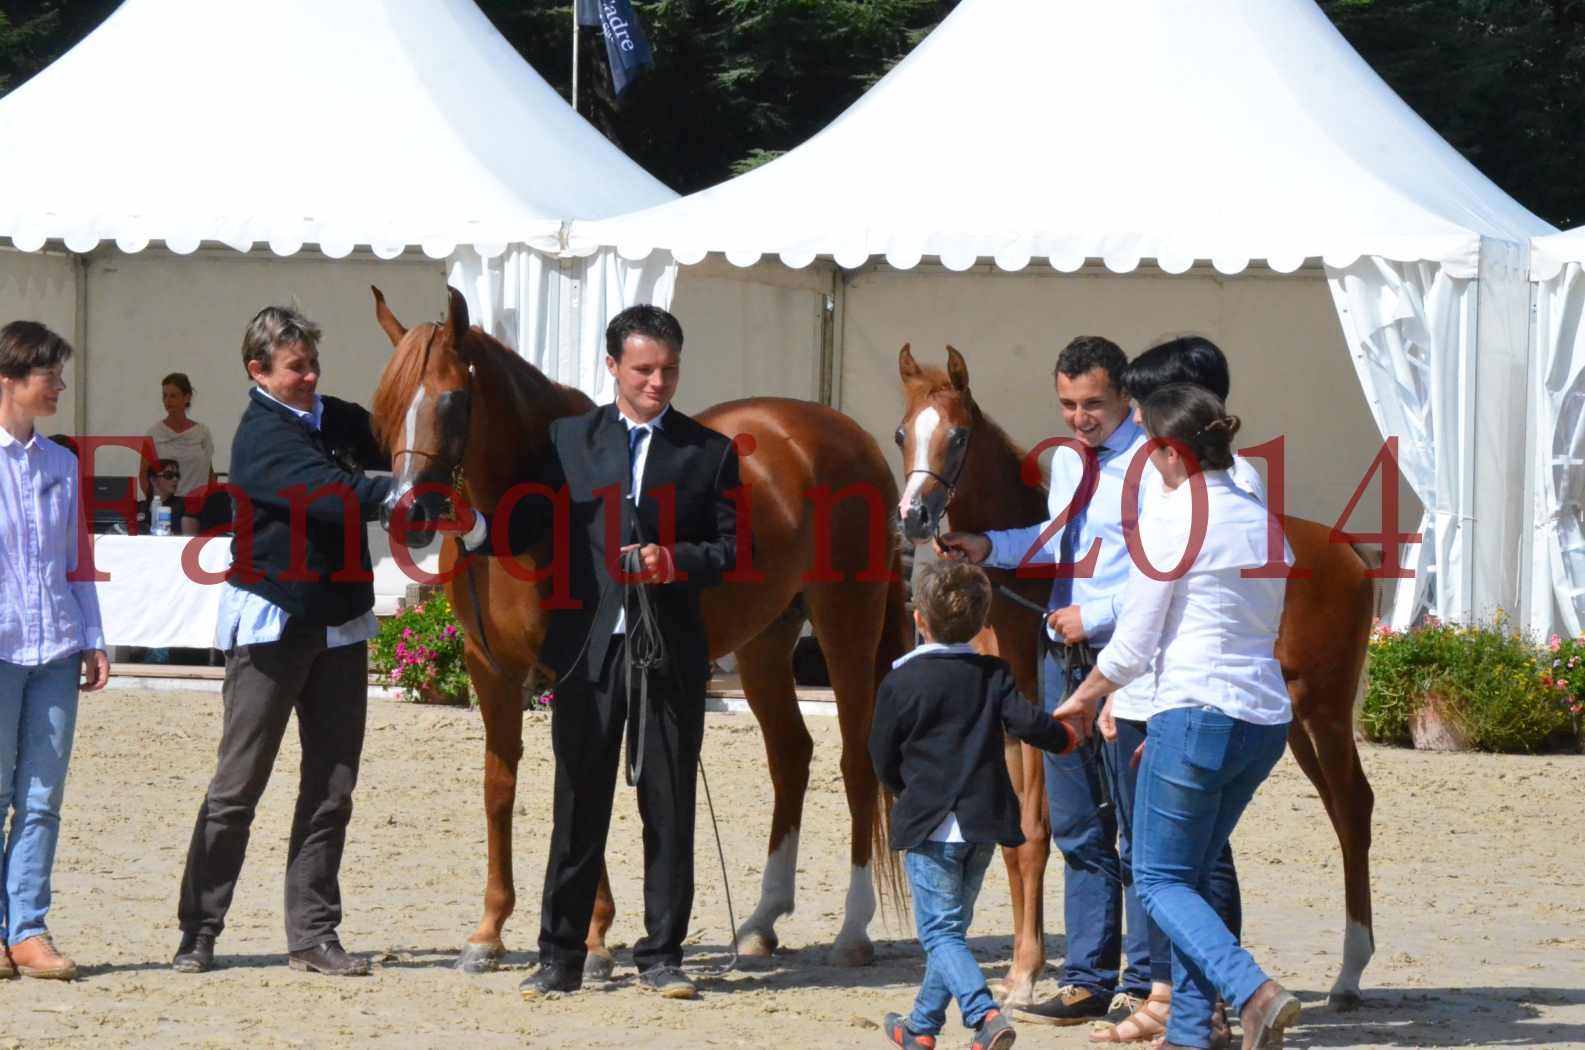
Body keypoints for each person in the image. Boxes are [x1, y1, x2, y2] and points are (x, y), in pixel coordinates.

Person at [507, 304, 741, 1003]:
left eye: (668, 369)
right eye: (644, 369)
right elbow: (523, 522)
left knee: (667, 805)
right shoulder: (565, 441)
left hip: (667, 650)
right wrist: (473, 518)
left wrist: (674, 559)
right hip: (587, 650)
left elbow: (733, 551)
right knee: (578, 801)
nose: (657, 382)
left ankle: (663, 954)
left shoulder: (708, 451)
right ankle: (559, 954)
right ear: (613, 366)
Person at [1055, 384, 1300, 1050]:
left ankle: (1252, 991)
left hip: (1197, 708)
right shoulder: (1257, 511)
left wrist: (1084, 697)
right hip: (1260, 717)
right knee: (1186, 876)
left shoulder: (1173, 517)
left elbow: (1133, 644)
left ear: (1167, 450)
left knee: (1159, 878)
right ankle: (1191, 1031)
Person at [935, 336, 1154, 1025]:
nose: (1079, 417)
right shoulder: (1067, 463)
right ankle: (1088, 977)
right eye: (1067, 404)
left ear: (1124, 396)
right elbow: (1054, 539)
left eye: (1092, 403)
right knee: (1077, 826)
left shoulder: (1153, 467)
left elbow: (1161, 575)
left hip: (1125, 657)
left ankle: (1141, 982)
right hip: (1063, 656)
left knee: (1132, 827)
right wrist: (988, 547)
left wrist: (1097, 612)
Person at [172, 306, 391, 977]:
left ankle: (313, 934)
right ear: (258, 371)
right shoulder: (260, 437)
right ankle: (199, 929)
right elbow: (332, 494)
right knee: (238, 786)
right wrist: (397, 489)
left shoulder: (341, 417)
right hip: (273, 624)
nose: (309, 376)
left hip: (340, 621)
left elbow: (390, 438)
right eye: (296, 367)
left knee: (332, 787)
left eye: (312, 364)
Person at [1085, 334, 1260, 1046]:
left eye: (1146, 406)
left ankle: (1218, 998)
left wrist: (1110, 687)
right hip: (1150, 688)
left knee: (1185, 864)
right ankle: (1173, 999)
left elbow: (1157, 599)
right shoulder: (1167, 481)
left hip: (1179, 692)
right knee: (1152, 854)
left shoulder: (1218, 486)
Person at [870, 562, 1082, 1050]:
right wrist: (1066, 737)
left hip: (933, 827)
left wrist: (909, 792)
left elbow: (881, 752)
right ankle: (921, 1027)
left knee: (940, 934)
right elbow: (1029, 723)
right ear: (983, 621)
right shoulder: (995, 674)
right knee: (952, 930)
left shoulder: (902, 680)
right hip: (984, 826)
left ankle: (982, 1014)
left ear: (919, 620)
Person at [0, 320, 110, 981]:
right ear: (9, 380)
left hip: (57, 649)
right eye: (51, 376)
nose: (60, 387)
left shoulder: (64, 464)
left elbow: (78, 560)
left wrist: (92, 637)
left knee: (42, 797)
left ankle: (29, 931)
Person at [144, 372, 215, 501]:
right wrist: (156, 505)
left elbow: (208, 473)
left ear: (187, 397)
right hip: (166, 508)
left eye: (173, 396)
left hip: (197, 505)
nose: (167, 401)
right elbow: (144, 476)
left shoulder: (202, 433)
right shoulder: (153, 434)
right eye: (164, 396)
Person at [131, 458, 199, 537]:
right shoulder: (139, 507)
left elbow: (190, 541)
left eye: (177, 475)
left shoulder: (186, 505)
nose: (175, 479)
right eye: (168, 475)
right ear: (153, 480)